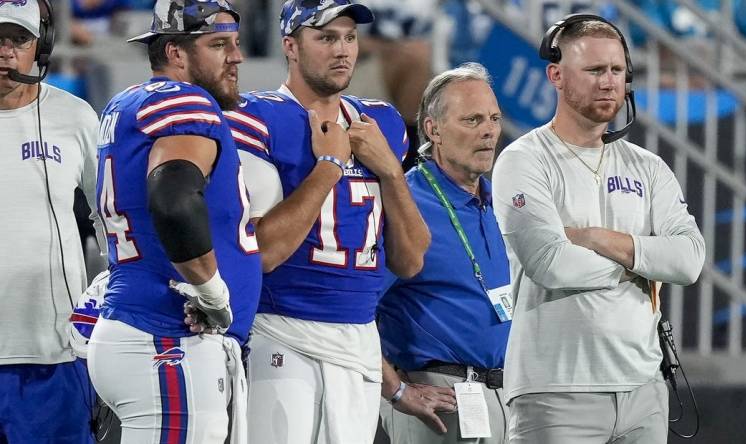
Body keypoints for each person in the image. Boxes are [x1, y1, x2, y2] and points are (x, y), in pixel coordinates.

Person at [491, 15, 706, 444]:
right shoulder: (524, 160)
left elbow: (689, 260)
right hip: (555, 389)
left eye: (617, 70)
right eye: (594, 70)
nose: (609, 82)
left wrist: (595, 239)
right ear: (556, 75)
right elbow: (551, 264)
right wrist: (643, 265)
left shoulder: (649, 167)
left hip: (645, 388)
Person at [225, 1, 430, 442]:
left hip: (360, 335)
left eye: (350, 38)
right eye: (326, 37)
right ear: (290, 47)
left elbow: (411, 261)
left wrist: (391, 171)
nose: (342, 50)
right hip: (282, 329)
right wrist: (331, 164)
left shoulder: (383, 123)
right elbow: (264, 252)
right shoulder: (257, 118)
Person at [86, 0, 261, 442]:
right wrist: (211, 291)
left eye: (236, 44)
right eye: (219, 44)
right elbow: (173, 200)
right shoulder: (184, 100)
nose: (236, 56)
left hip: (143, 329)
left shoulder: (126, 102)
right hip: (165, 335)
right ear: (176, 53)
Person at [377, 62, 511, 444]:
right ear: (433, 130)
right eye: (472, 120)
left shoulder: (499, 200)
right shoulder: (405, 202)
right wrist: (395, 390)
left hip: (502, 396)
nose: (488, 131)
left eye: (494, 118)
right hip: (438, 396)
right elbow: (353, 310)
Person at [0, 0, 102, 442]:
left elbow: (110, 218)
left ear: (40, 48)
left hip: (53, 351)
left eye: (17, 40)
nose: (4, 52)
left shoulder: (75, 117)